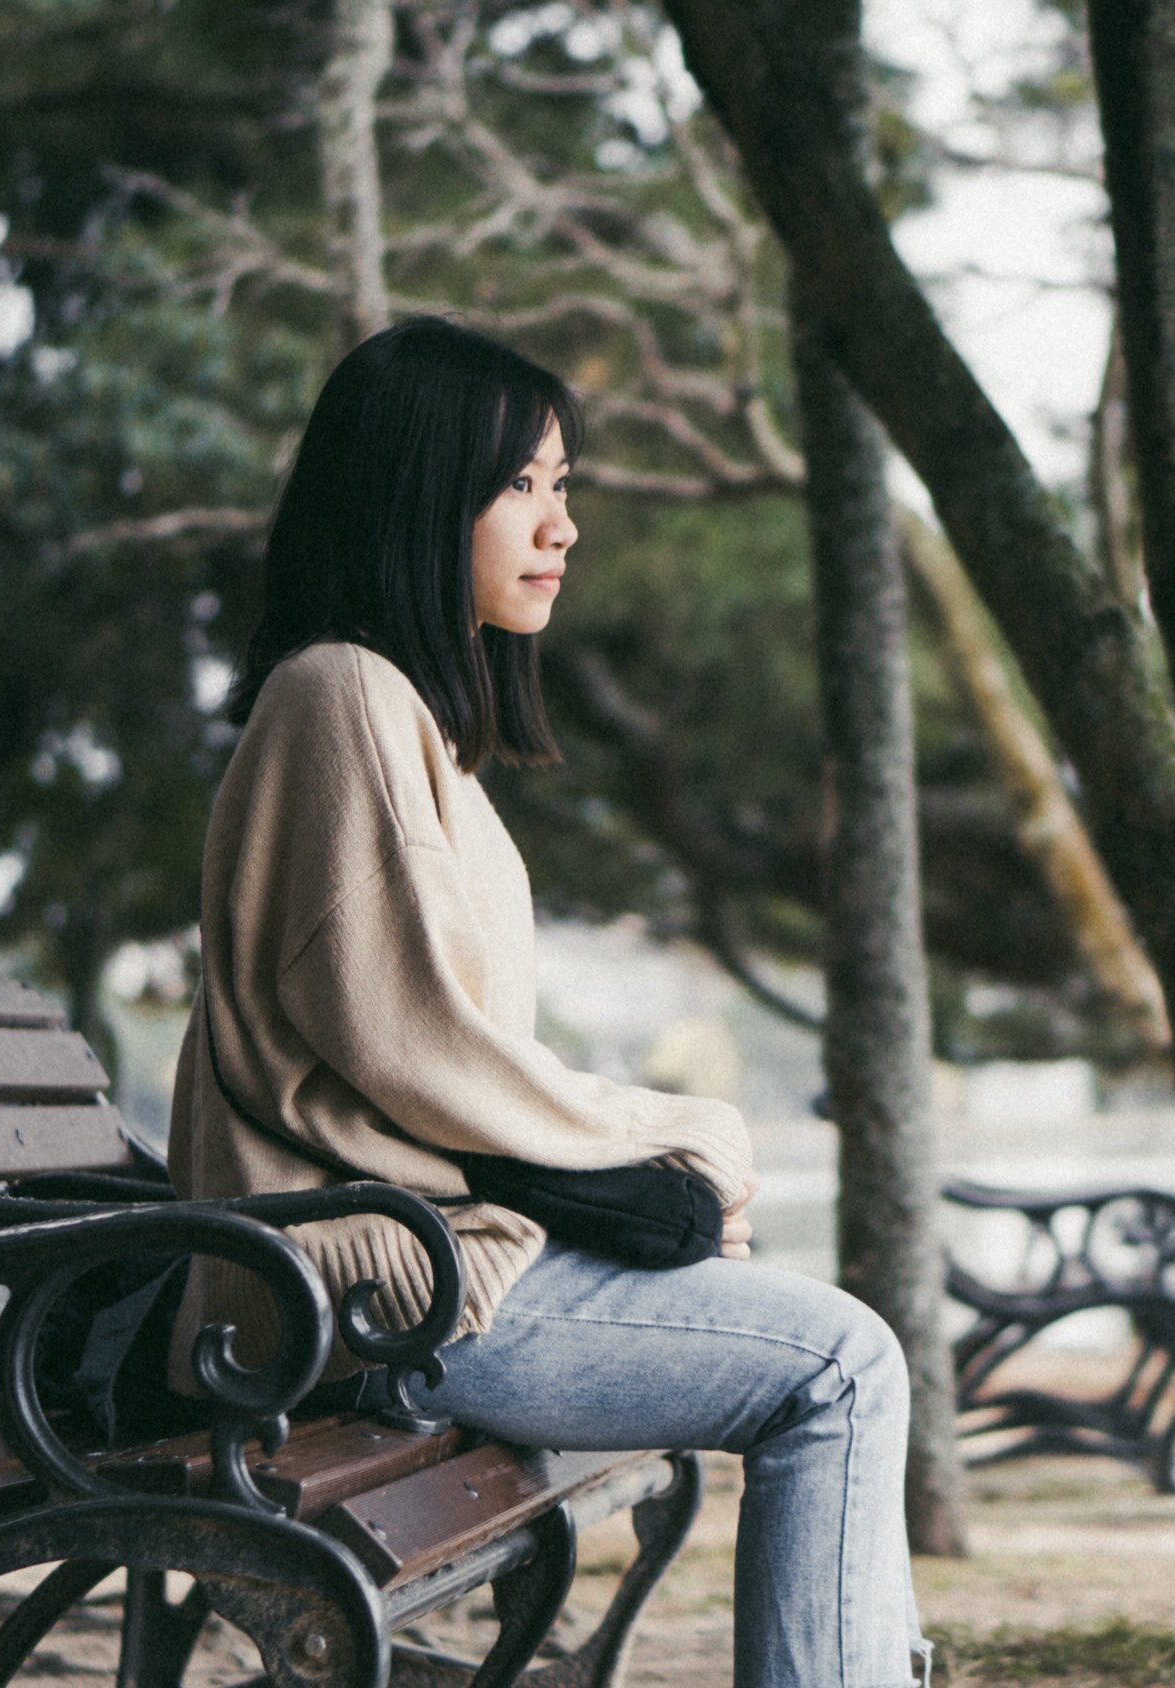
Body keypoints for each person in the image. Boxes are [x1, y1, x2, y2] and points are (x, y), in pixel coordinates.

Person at [163, 317, 930, 1688]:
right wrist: (677, 1131)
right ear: (416, 492)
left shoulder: (405, 721)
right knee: (842, 1367)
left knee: (834, 1354)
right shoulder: (341, 696)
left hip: (417, 1273)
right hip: (377, 1297)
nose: (561, 524)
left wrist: (651, 1158)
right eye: (520, 484)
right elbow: (420, 1048)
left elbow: (430, 1053)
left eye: (562, 485)